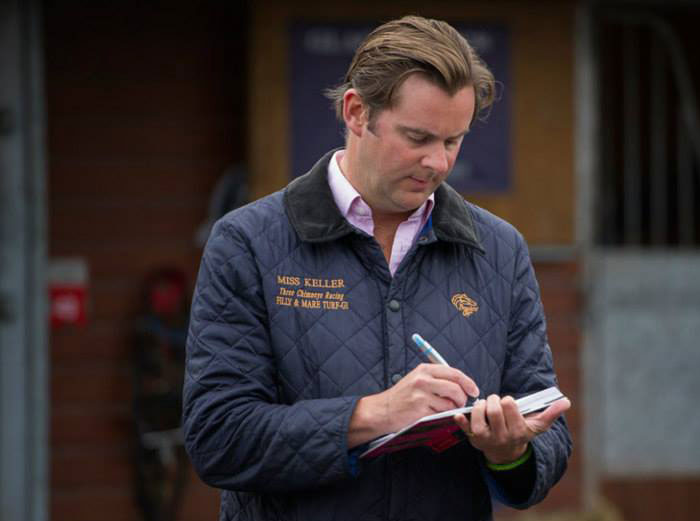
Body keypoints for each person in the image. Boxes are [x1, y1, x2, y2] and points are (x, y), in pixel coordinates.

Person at [182, 15, 572, 521]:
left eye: (453, 141)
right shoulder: (249, 242)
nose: (437, 162)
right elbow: (218, 437)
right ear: (356, 112)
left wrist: (511, 452)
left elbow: (546, 436)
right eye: (418, 137)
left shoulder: (498, 250)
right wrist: (374, 415)